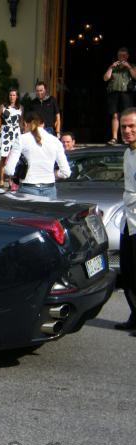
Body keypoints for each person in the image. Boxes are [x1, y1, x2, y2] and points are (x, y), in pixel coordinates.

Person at [5, 111, 71, 200]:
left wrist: (19, 174)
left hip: (28, 187)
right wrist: (53, 173)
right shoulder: (55, 141)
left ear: (25, 123)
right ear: (43, 124)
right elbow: (66, 172)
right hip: (50, 188)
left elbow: (9, 170)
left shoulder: (22, 139)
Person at [116, 107, 136, 333]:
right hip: (128, 218)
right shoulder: (127, 153)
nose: (127, 131)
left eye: (132, 126)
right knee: (128, 270)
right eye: (124, 127)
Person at [103, 47, 136, 146]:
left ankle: (126, 138)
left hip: (127, 93)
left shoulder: (132, 66)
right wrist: (111, 67)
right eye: (120, 56)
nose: (122, 57)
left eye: (124, 56)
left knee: (126, 116)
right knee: (115, 115)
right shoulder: (114, 66)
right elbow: (105, 78)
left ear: (127, 56)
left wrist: (129, 67)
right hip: (114, 93)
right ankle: (114, 138)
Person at [0, 88, 23, 188]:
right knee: (4, 156)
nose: (12, 97)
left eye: (14, 95)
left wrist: (23, 133)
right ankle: (1, 179)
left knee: (13, 157)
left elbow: (21, 122)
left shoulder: (20, 107)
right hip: (5, 131)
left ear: (17, 96)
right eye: (10, 95)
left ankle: (10, 180)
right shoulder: (3, 106)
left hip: (16, 132)